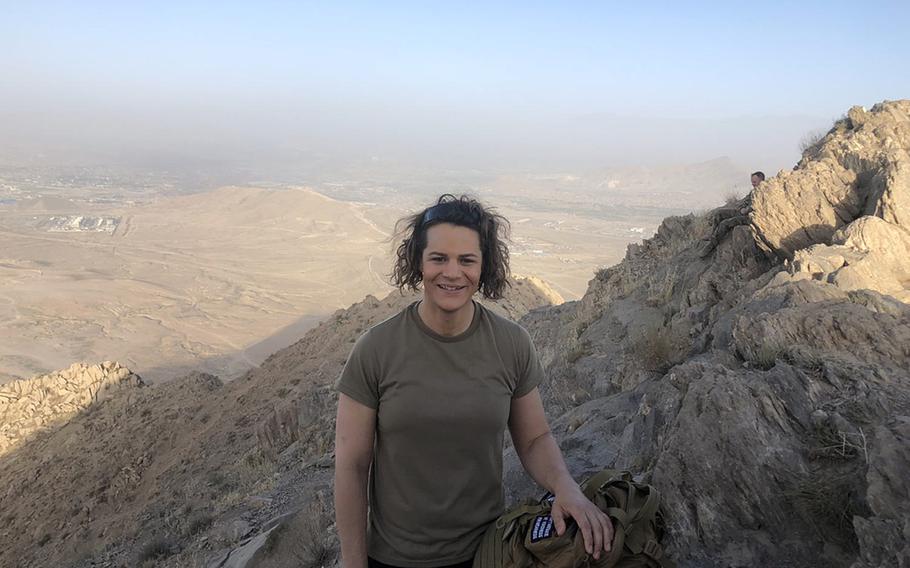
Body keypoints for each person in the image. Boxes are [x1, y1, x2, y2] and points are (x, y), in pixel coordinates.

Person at [334, 194, 614, 568]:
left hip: (488, 552)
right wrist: (354, 563)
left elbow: (533, 439)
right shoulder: (376, 349)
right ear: (419, 262)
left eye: (467, 260)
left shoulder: (511, 343)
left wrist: (567, 488)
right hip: (394, 558)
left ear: (485, 268)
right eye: (438, 258)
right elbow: (352, 466)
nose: (452, 273)